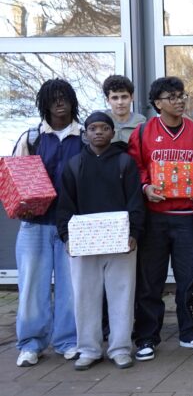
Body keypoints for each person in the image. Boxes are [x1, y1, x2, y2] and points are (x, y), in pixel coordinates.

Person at [128, 76, 193, 361]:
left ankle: (190, 332)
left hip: (189, 216)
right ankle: (147, 337)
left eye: (181, 95)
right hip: (155, 217)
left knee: (188, 278)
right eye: (171, 97)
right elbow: (135, 168)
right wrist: (144, 187)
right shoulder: (142, 133)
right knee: (151, 280)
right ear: (157, 103)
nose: (179, 101)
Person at [55, 111, 144, 370]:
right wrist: (66, 237)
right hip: (84, 244)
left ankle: (120, 348)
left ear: (112, 132)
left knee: (122, 295)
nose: (98, 132)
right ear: (85, 134)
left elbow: (135, 202)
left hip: (121, 242)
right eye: (93, 128)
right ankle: (88, 349)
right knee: (84, 296)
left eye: (104, 128)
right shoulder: (73, 165)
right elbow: (65, 205)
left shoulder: (125, 163)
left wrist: (134, 234)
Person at [12, 79, 84, 368]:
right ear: (44, 103)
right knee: (31, 286)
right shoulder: (31, 137)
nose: (59, 103)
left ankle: (68, 341)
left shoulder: (85, 137)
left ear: (72, 100)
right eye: (53, 98)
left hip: (72, 225)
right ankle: (31, 343)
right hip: (35, 225)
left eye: (64, 97)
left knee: (71, 287)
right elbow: (15, 179)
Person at [102, 75, 146, 144]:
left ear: (132, 97)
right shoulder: (100, 122)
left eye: (124, 97)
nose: (120, 102)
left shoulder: (142, 124)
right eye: (115, 98)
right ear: (108, 100)